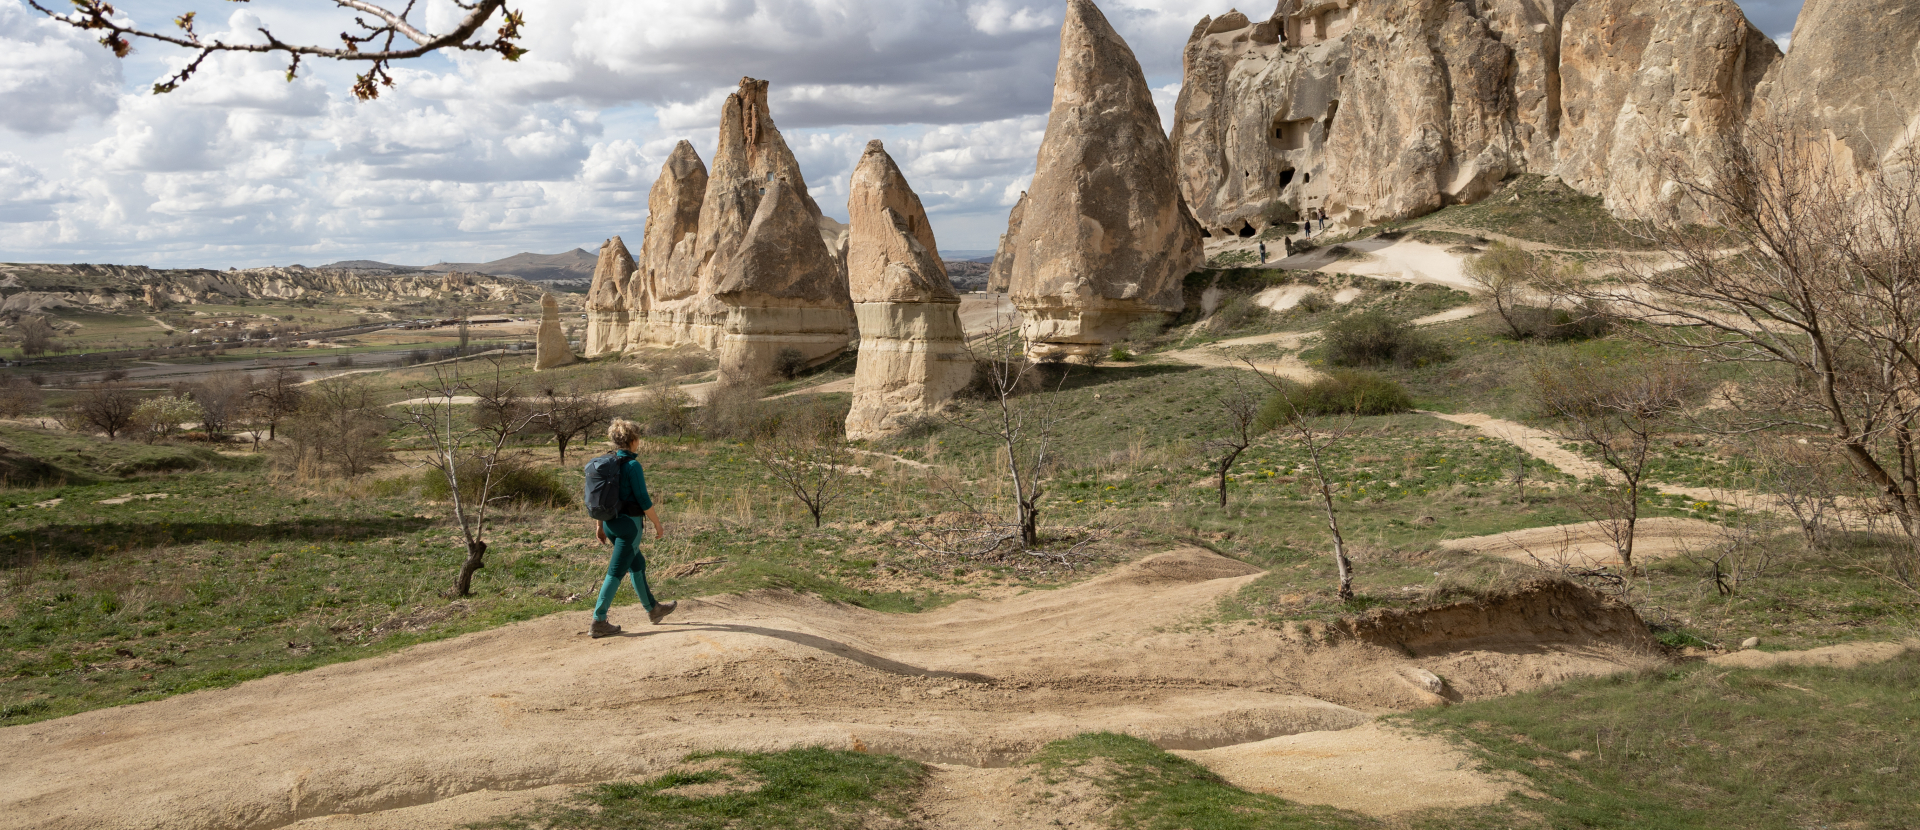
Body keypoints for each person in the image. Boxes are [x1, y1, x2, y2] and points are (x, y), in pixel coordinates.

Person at [590, 419, 672, 638]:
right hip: (629, 527)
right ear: (633, 440)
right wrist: (657, 523)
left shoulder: (609, 463)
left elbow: (601, 496)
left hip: (610, 524)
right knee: (615, 572)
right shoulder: (632, 465)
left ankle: (653, 609)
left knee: (637, 563)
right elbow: (643, 499)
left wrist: (599, 526)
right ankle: (599, 620)